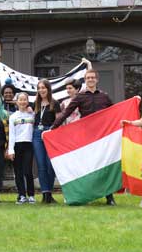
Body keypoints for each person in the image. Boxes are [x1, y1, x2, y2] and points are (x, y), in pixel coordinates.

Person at [51, 69, 117, 206]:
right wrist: (52, 128)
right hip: (87, 139)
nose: (91, 79)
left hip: (103, 138)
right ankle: (87, 195)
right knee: (88, 167)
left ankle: (109, 197)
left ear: (97, 79)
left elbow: (116, 112)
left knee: (104, 166)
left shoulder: (104, 97)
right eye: (88, 78)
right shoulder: (80, 97)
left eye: (93, 77)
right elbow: (66, 113)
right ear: (85, 80)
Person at [33, 80, 61, 204]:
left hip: (50, 134)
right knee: (41, 165)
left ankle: (49, 192)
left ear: (48, 89)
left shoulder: (55, 103)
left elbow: (59, 121)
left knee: (51, 165)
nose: (41, 90)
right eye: (39, 88)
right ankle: (45, 194)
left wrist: (51, 131)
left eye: (43, 88)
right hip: (37, 135)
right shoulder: (35, 104)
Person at [7, 92, 36, 204]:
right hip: (17, 145)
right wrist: (11, 150)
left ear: (27, 101)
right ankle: (22, 195)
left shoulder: (31, 115)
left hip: (28, 144)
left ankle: (31, 195)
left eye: (25, 100)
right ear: (17, 102)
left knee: (27, 170)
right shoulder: (13, 117)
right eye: (20, 100)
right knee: (18, 171)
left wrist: (32, 111)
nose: (23, 102)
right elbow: (12, 134)